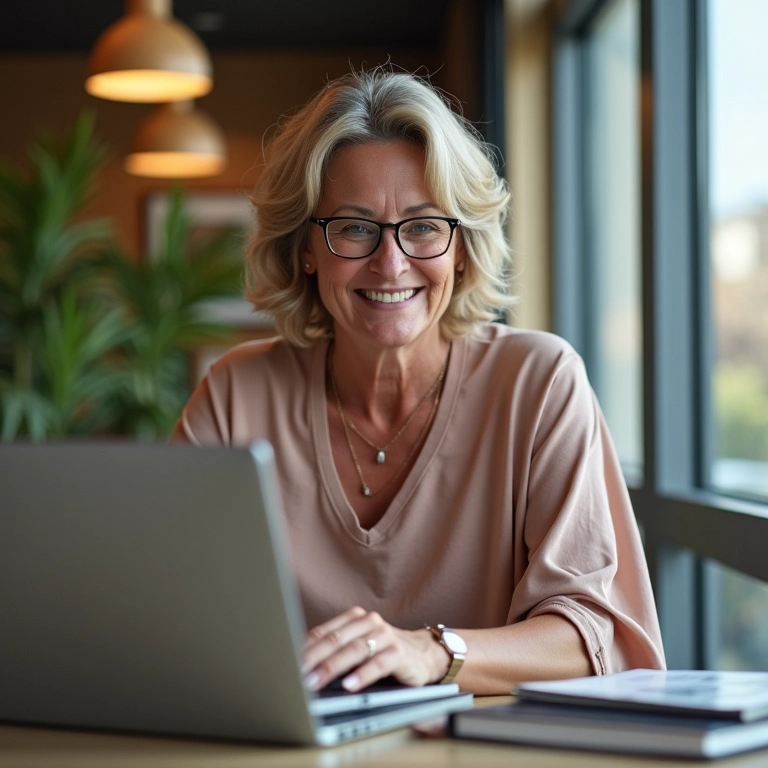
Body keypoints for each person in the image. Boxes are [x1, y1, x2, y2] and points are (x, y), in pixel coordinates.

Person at [171, 68, 665, 695]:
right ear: (305, 248)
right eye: (353, 227)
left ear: (461, 248)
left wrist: (433, 653)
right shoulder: (235, 395)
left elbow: (590, 634)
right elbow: (169, 610)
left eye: (425, 225)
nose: (391, 261)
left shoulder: (539, 383)